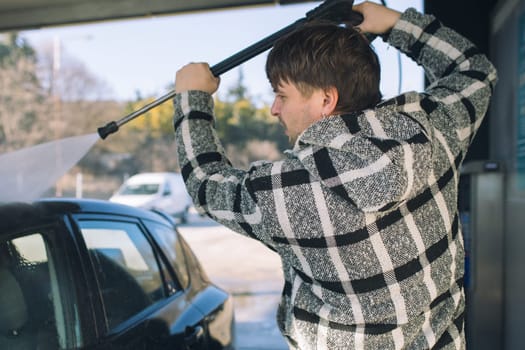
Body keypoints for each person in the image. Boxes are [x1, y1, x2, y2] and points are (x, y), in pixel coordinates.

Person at [172, 1, 497, 349]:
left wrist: (193, 101)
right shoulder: (434, 127)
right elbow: (474, 70)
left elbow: (205, 183)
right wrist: (396, 24)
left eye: (281, 95)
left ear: (326, 100)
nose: (273, 109)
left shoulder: (283, 191)